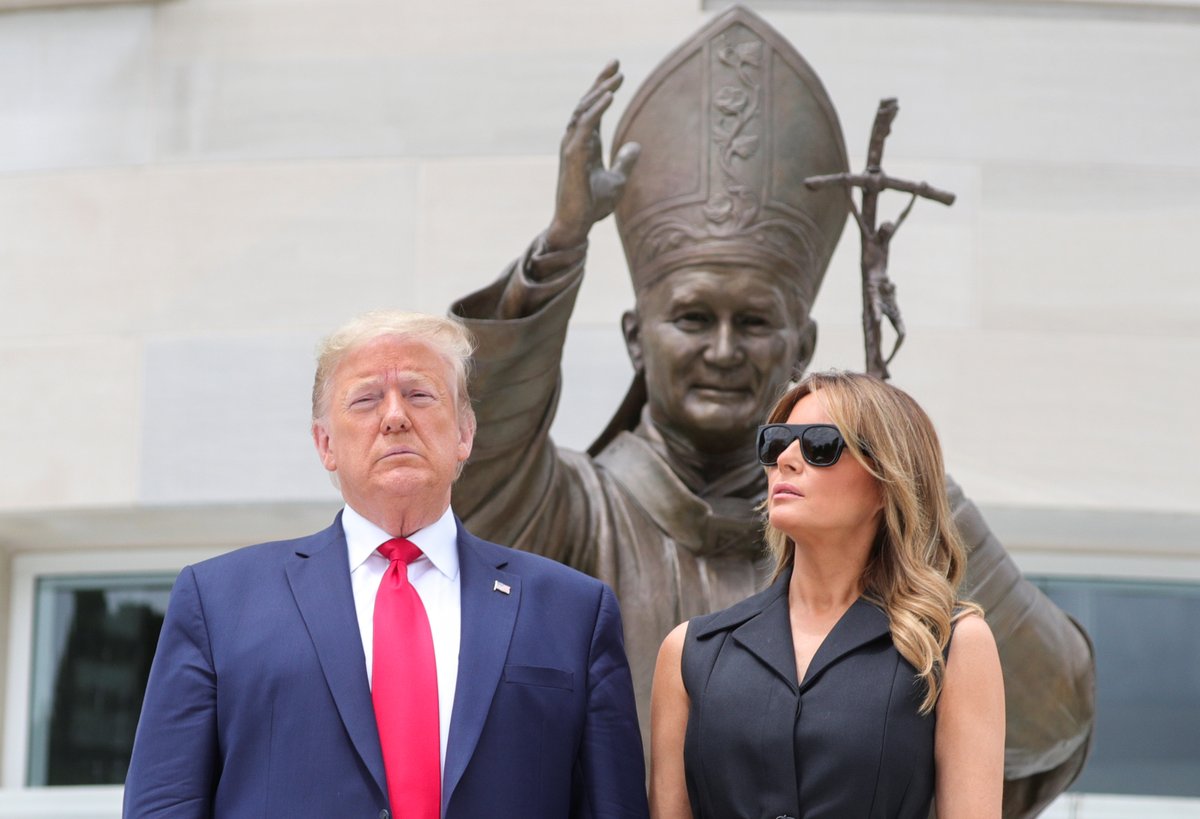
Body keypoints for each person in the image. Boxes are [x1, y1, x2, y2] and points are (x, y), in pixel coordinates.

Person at [450, 8, 1091, 818]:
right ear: (634, 337)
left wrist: (911, 471)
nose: (723, 349)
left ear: (801, 343)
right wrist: (561, 249)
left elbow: (1054, 719)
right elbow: (475, 463)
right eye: (692, 318)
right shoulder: (574, 511)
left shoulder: (908, 588)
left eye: (753, 322)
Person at [122, 311, 649, 819]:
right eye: (366, 399)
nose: (395, 416)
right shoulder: (219, 603)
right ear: (325, 443)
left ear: (464, 434)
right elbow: (164, 803)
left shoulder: (572, 611)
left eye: (419, 394)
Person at [649, 371, 1006, 818]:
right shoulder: (692, 651)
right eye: (776, 442)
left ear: (885, 482)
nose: (787, 459)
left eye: (820, 445)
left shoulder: (951, 645)